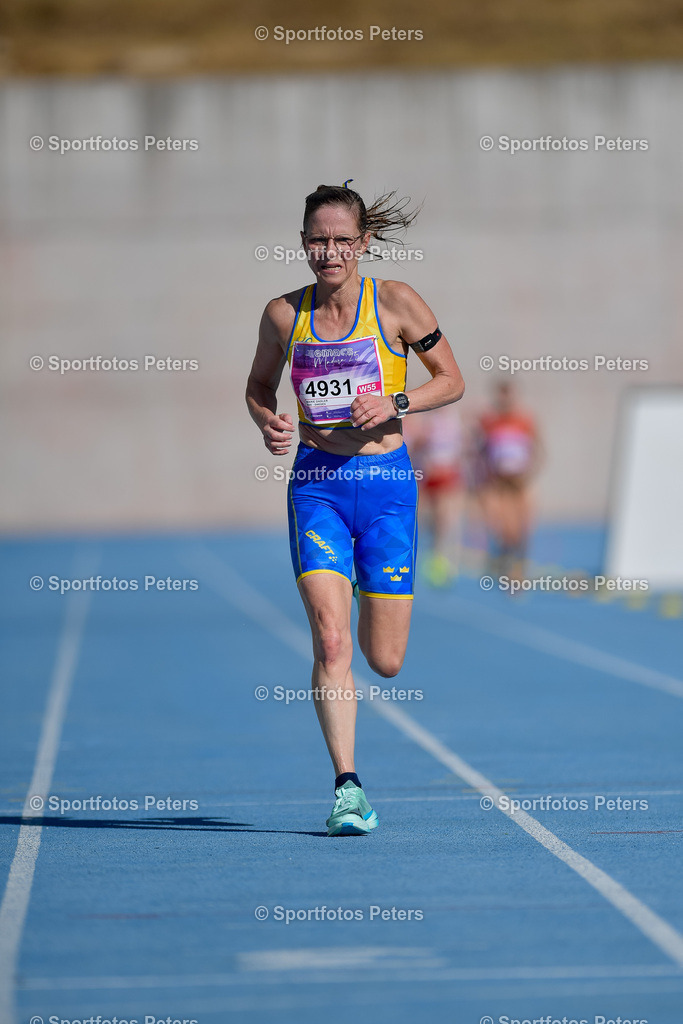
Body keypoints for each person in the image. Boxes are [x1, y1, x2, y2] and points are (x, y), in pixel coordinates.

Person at [246, 183, 464, 836]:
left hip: (387, 488)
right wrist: (267, 421)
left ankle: (373, 592)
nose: (329, 251)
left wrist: (396, 403)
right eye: (318, 239)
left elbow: (451, 381)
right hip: (316, 485)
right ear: (303, 241)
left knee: (385, 660)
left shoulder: (394, 301)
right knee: (330, 640)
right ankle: (347, 788)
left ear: (363, 242)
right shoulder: (284, 314)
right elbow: (258, 384)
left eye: (342, 239)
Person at [476, 380, 541, 582]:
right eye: (500, 395)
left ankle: (519, 558)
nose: (504, 400)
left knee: (522, 522)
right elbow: (482, 451)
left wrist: (529, 472)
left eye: (507, 395)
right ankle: (504, 554)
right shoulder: (489, 422)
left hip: (519, 480)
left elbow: (538, 449)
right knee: (499, 522)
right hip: (497, 481)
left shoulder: (524, 420)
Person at [403, 405, 465, 587]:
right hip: (429, 474)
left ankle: (445, 558)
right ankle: (435, 551)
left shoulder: (454, 420)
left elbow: (460, 447)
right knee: (426, 517)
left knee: (445, 518)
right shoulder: (428, 421)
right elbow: (420, 445)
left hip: (446, 475)